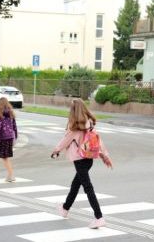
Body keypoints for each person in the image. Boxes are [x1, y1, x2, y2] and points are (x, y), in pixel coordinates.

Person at [51, 98, 113, 229]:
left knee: (88, 187)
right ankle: (65, 208)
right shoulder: (89, 123)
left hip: (79, 159)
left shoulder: (74, 126)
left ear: (73, 110)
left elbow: (65, 140)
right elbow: (97, 140)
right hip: (89, 158)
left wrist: (56, 150)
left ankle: (99, 217)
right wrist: (104, 156)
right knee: (75, 185)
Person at [0, 97, 17, 182]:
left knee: (1, 157)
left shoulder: (0, 115)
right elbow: (14, 127)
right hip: (9, 138)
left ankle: (9, 175)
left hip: (1, 138)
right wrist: (15, 136)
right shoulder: (11, 113)